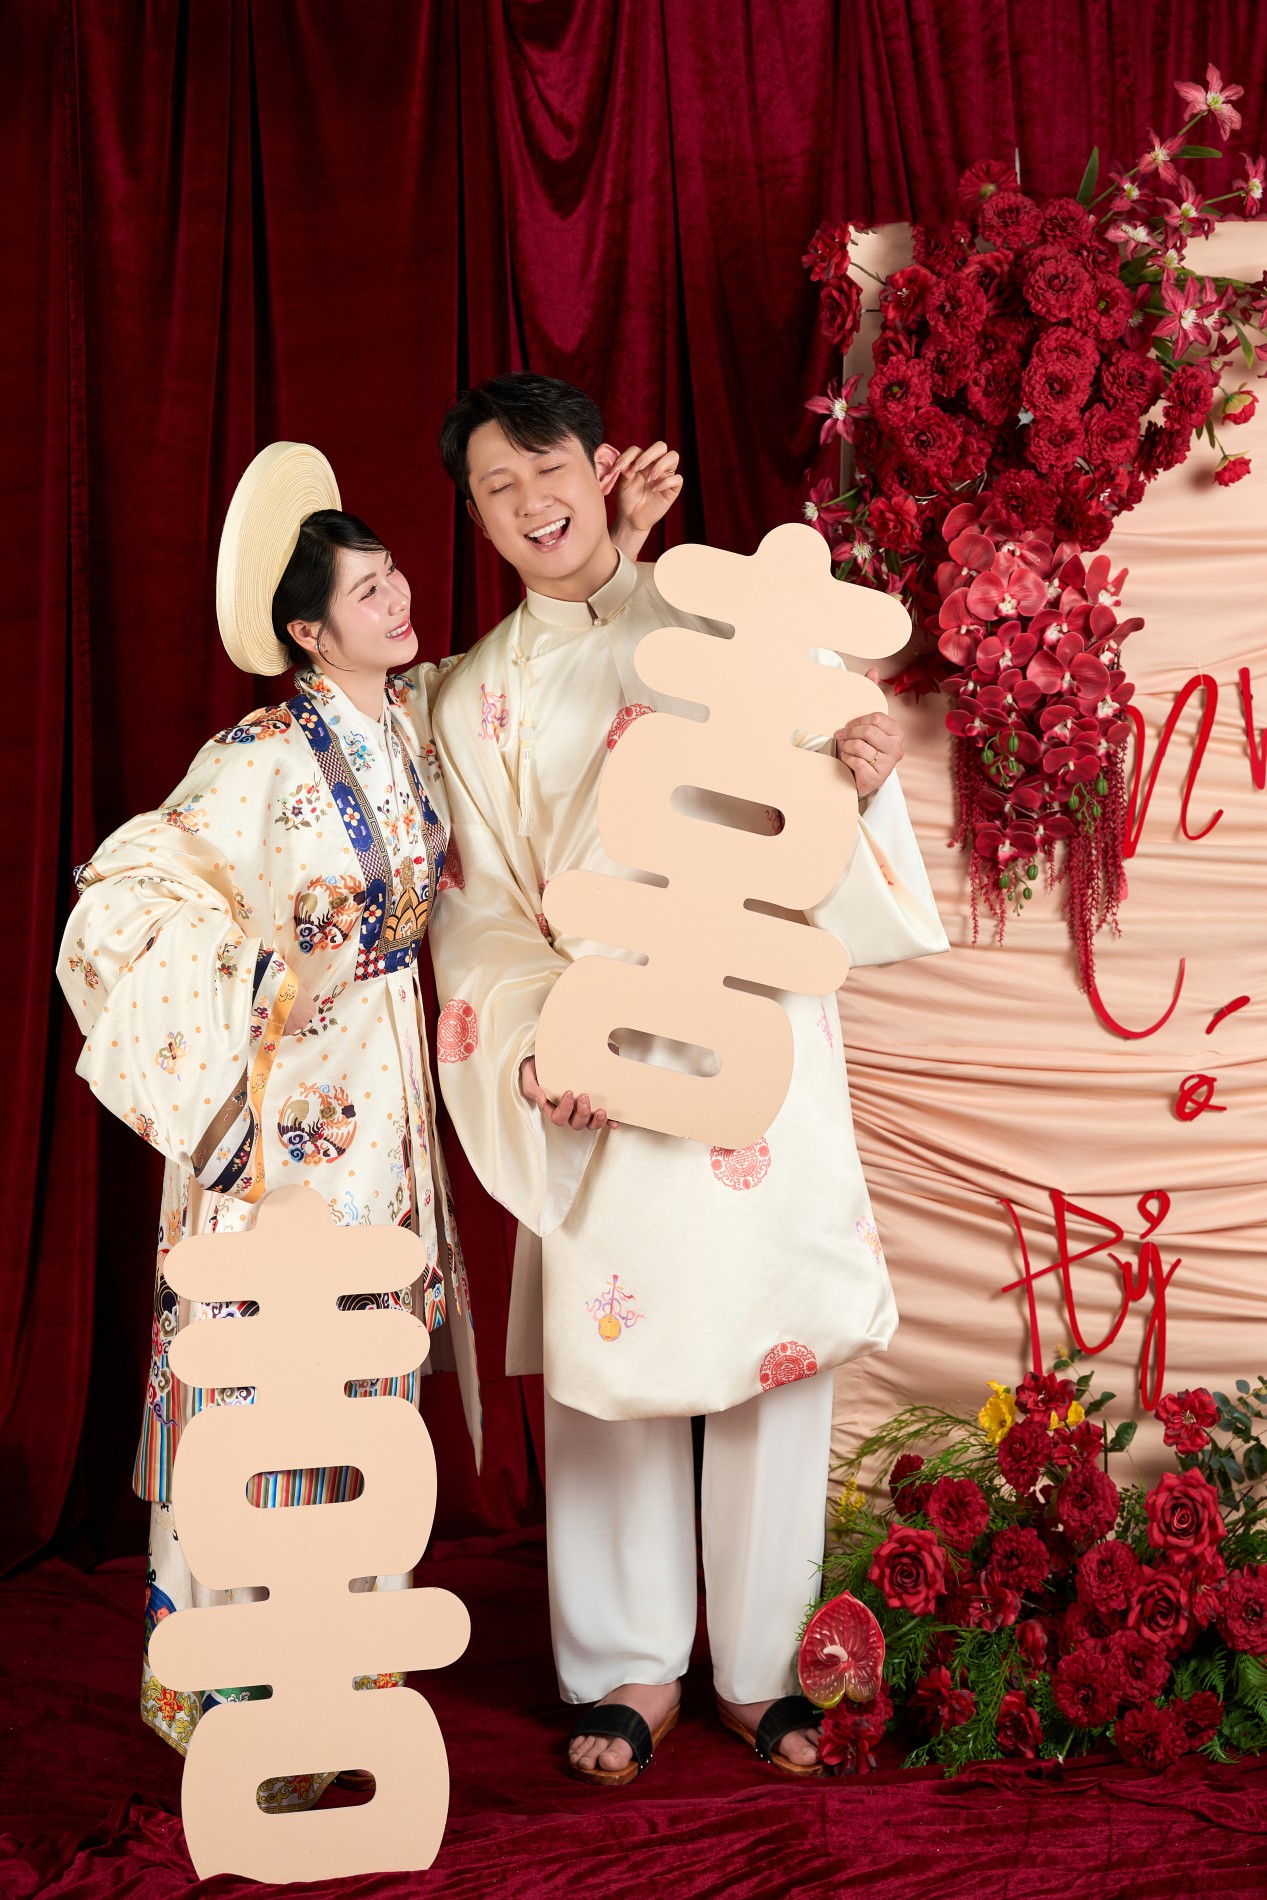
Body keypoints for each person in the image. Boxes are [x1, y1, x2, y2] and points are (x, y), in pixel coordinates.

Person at [55, 438, 669, 1809]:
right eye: (368, 591)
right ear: (305, 633)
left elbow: (524, 660)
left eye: (394, 576)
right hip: (281, 1128)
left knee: (361, 1395)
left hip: (385, 1123)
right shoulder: (257, 759)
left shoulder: (418, 714)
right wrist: (259, 977)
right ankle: (238, 1698)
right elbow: (126, 897)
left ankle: (338, 1683)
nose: (399, 599)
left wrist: (614, 545)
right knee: (265, 1393)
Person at [424, 373, 950, 1783]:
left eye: (547, 468)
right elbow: (478, 912)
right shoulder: (473, 699)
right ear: (476, 516)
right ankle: (627, 1666)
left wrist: (862, 774)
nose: (531, 503)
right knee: (617, 1358)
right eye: (495, 487)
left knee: (774, 1346)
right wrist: (536, 1043)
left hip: (749, 1018)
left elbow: (821, 807)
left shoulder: (722, 616)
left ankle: (766, 1669)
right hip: (601, 1047)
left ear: (599, 469)